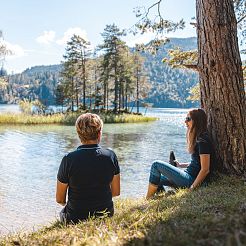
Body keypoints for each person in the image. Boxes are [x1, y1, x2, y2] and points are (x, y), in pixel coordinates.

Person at [56, 113, 120, 223]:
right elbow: (116, 192)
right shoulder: (111, 156)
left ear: (78, 134)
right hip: (106, 214)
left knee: (62, 212)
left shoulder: (68, 159)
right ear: (99, 133)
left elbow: (60, 199)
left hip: (75, 218)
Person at [146, 108, 215, 198]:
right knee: (156, 178)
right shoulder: (199, 138)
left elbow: (205, 169)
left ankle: (148, 198)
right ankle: (158, 197)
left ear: (197, 120)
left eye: (188, 119)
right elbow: (198, 162)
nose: (185, 122)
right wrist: (180, 165)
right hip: (188, 175)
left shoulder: (203, 140)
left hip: (191, 179)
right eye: (186, 118)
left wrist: (192, 188)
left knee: (156, 165)